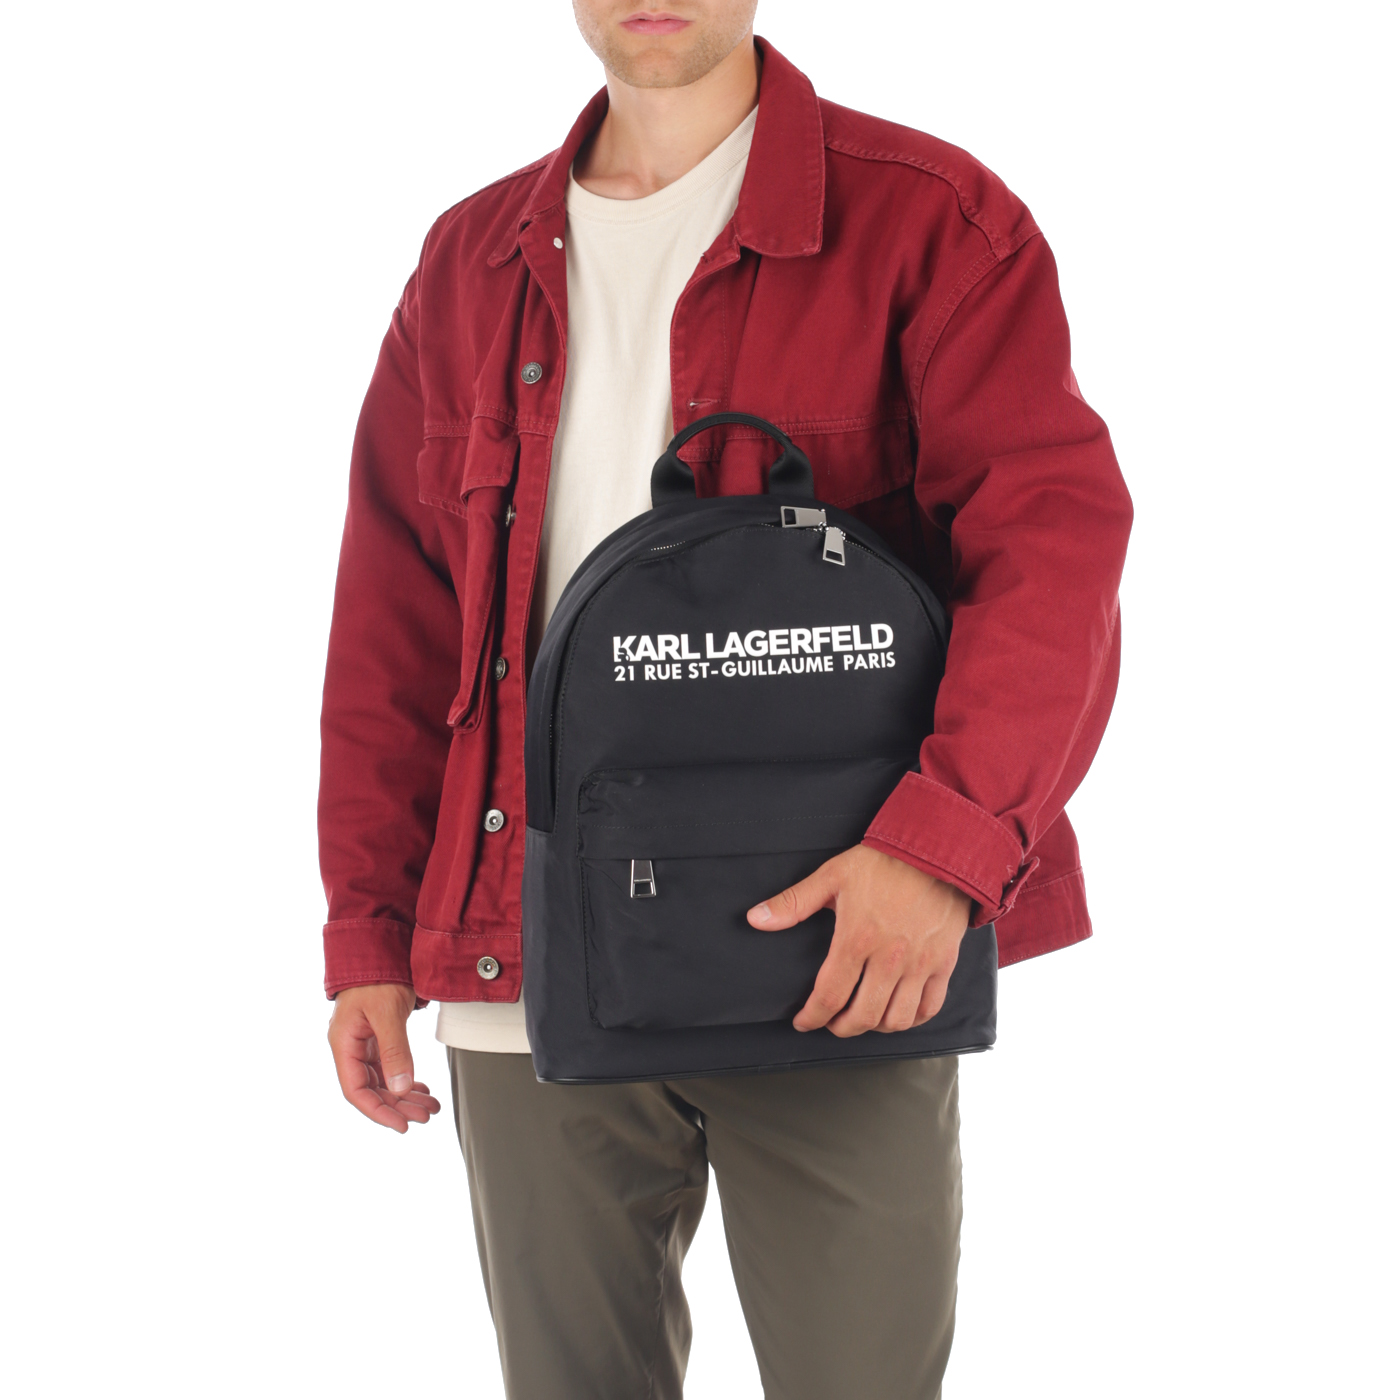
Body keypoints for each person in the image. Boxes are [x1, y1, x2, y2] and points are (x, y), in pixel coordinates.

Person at [319, 4, 1132, 1396]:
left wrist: (942, 855)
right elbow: (393, 625)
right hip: (531, 965)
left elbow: (1052, 552)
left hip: (840, 957)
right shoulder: (469, 262)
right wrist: (370, 930)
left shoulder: (931, 224)